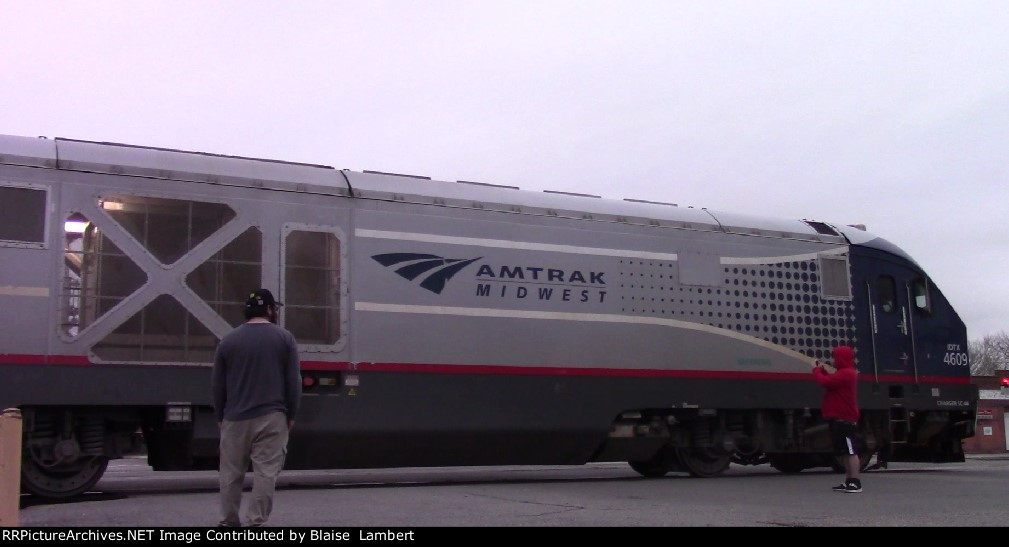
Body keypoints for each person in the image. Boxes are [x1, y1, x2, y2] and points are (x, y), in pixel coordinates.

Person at [212, 288, 301, 526]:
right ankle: (256, 522)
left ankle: (228, 522)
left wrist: (221, 415)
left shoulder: (228, 341)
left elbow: (218, 384)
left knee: (230, 475)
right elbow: (293, 382)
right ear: (270, 310)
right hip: (272, 417)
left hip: (234, 418)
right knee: (265, 473)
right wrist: (291, 414)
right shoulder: (284, 338)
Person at [812, 345, 861, 493]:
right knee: (845, 451)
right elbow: (831, 380)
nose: (834, 361)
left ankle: (855, 481)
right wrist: (822, 371)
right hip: (839, 418)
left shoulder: (847, 373)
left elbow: (825, 382)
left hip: (845, 418)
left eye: (836, 357)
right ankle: (849, 480)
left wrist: (816, 371)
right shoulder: (844, 373)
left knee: (851, 451)